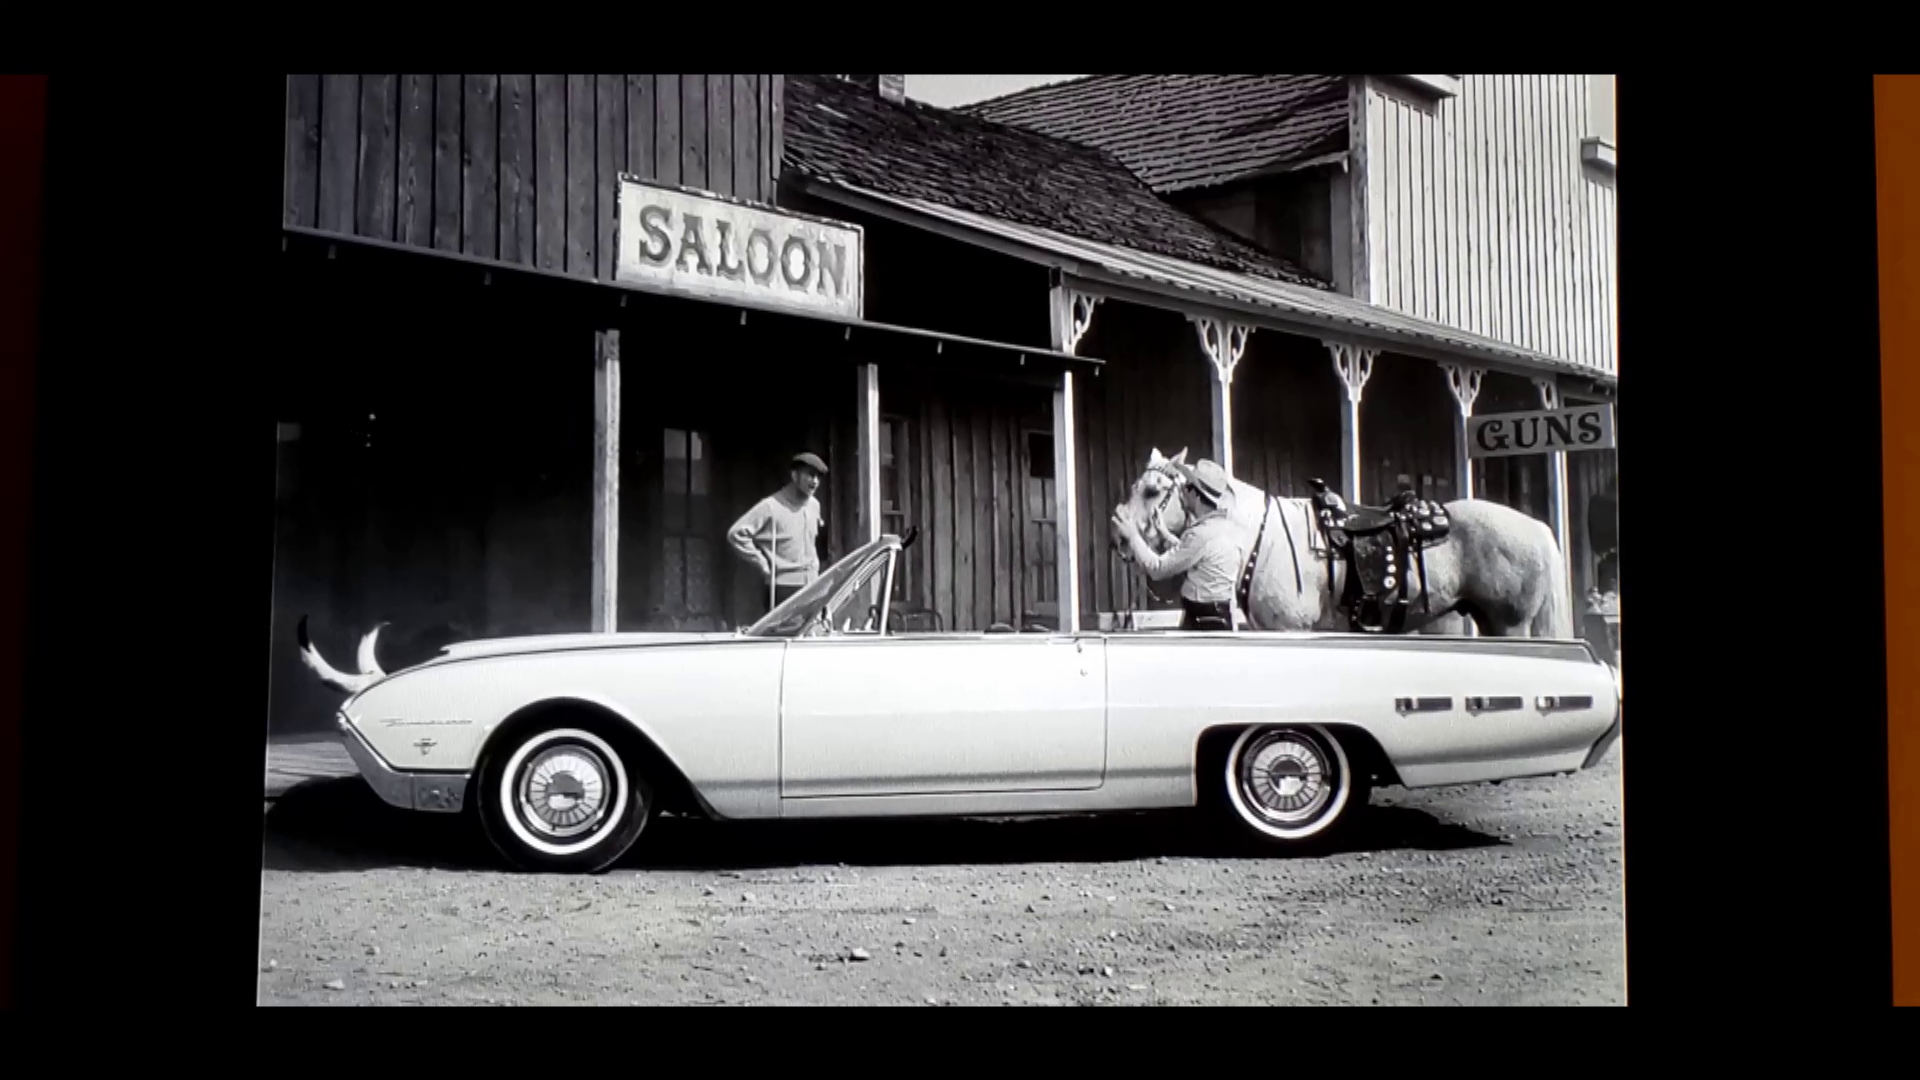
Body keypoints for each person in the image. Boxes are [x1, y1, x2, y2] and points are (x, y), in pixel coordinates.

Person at [1110, 458, 1247, 631]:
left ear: (1197, 495)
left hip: (1203, 621)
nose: (1183, 491)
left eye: (1188, 487)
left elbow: (1158, 569)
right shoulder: (1225, 527)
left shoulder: (1200, 534)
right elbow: (1197, 555)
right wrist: (1165, 533)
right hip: (1219, 615)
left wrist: (1133, 535)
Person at [727, 452, 828, 614]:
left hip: (811, 584)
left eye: (818, 477)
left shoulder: (814, 505)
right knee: (783, 636)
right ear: (795, 476)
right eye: (810, 475)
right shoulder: (771, 506)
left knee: (811, 635)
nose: (815, 481)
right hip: (782, 587)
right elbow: (737, 533)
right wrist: (761, 562)